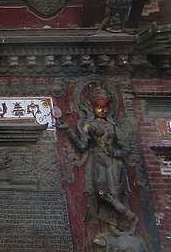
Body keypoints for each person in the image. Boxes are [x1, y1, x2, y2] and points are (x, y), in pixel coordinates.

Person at [59, 88, 137, 233]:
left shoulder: (112, 127)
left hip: (114, 161)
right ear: (92, 108)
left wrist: (116, 152)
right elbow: (83, 146)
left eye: (105, 108)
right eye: (99, 107)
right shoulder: (89, 125)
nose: (102, 111)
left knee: (117, 192)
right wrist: (69, 130)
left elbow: (126, 147)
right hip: (98, 160)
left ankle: (114, 226)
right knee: (102, 193)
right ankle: (130, 215)